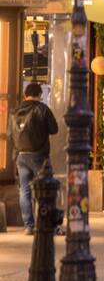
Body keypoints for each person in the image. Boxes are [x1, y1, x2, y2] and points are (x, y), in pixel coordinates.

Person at [12, 81, 58, 234]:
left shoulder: (15, 111)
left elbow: (10, 134)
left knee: (24, 191)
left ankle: (28, 226)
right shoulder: (42, 109)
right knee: (45, 189)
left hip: (21, 155)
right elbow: (54, 129)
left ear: (25, 95)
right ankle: (47, 223)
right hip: (39, 155)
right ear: (39, 95)